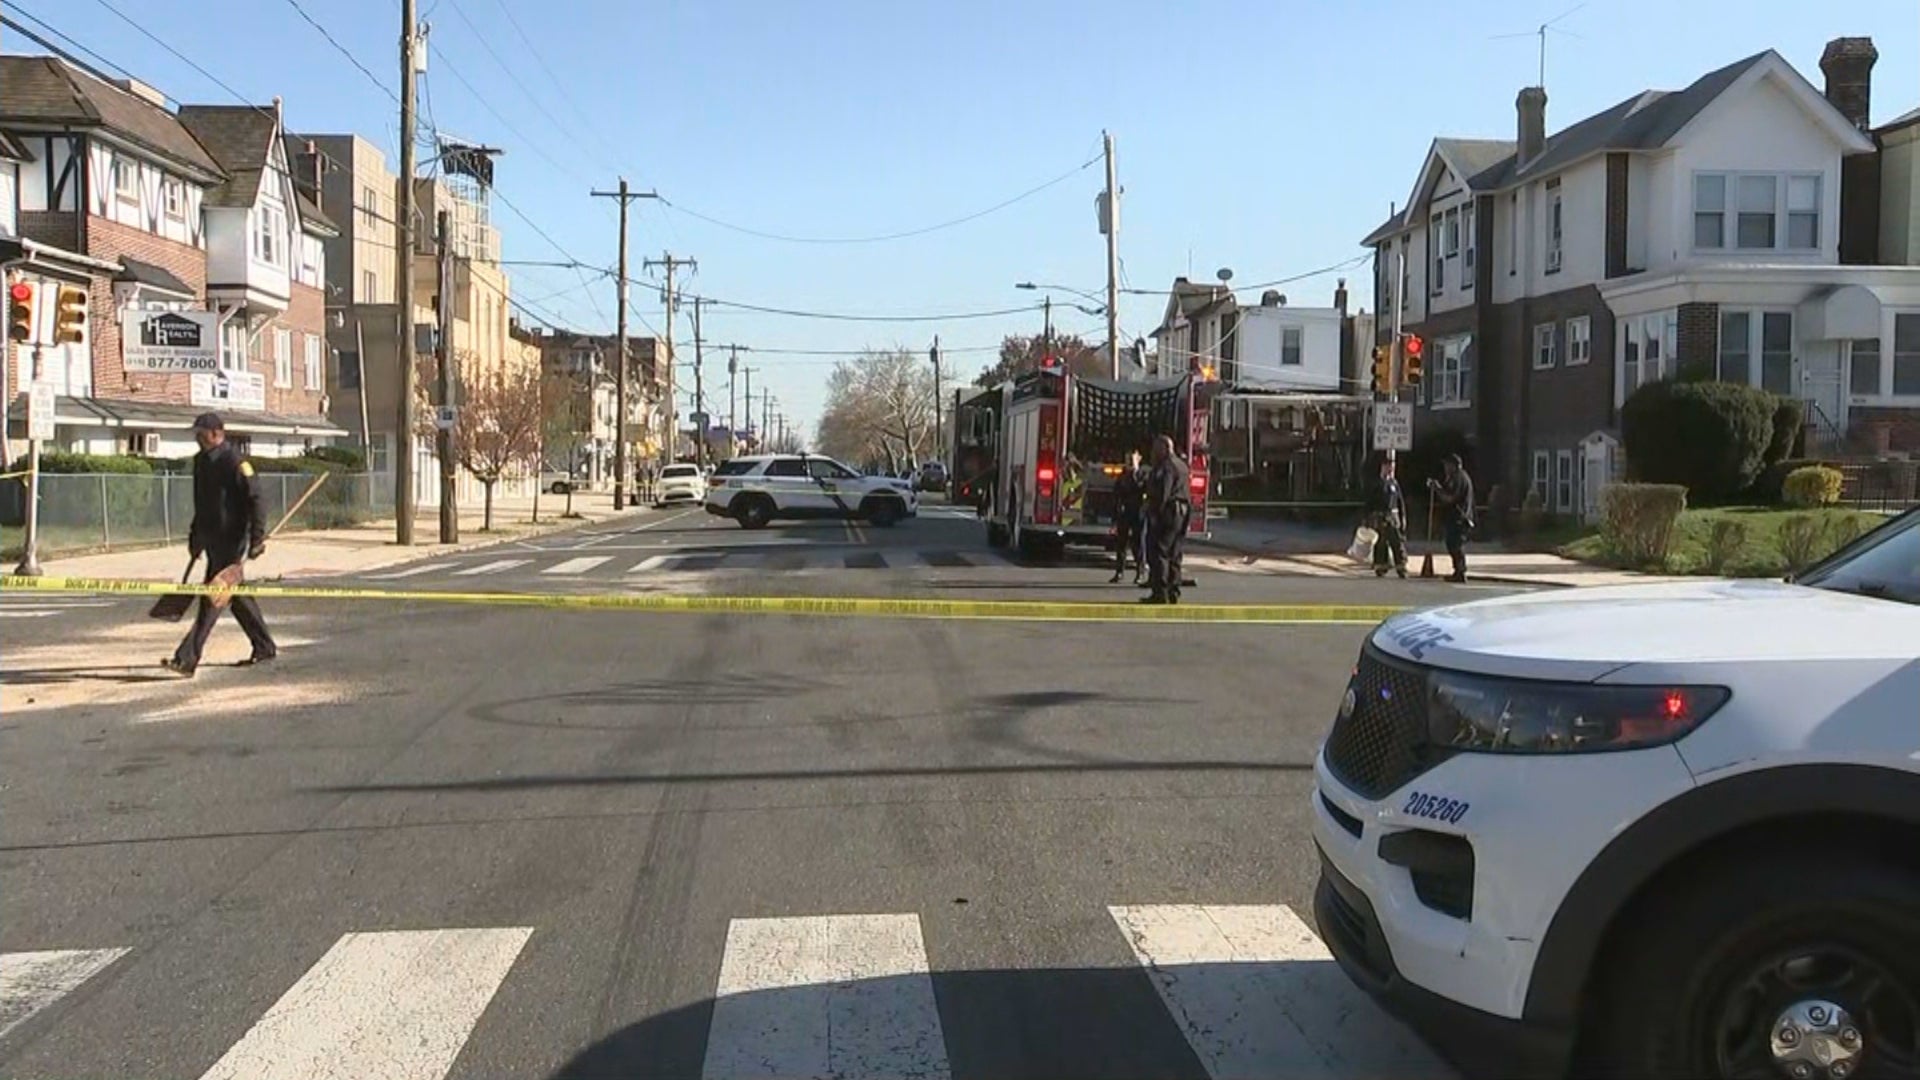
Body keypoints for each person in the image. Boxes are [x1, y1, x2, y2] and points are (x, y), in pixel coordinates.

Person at [163, 413, 276, 676]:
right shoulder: (201, 462)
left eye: (202, 434)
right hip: (211, 538)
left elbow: (257, 499)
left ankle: (187, 658)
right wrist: (195, 537)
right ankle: (264, 645)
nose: (198, 439)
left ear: (217, 434)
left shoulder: (235, 462)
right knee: (237, 596)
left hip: (233, 539)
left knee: (212, 598)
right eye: (196, 434)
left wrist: (257, 538)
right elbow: (202, 503)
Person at [1142, 433, 1192, 604]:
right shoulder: (1182, 465)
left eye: (1156, 448)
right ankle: (1173, 591)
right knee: (1175, 553)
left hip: (1169, 512)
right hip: (1183, 512)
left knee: (1159, 551)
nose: (1153, 452)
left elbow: (1163, 491)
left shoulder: (1166, 467)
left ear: (1164, 449)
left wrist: (1154, 513)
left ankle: (1160, 592)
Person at [1427, 452, 1475, 583]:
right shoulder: (1458, 477)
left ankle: (1460, 571)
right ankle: (1458, 570)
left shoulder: (1458, 478)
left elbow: (1451, 498)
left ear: (1453, 466)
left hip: (1459, 517)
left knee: (1455, 544)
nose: (1445, 468)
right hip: (1456, 516)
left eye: (1447, 465)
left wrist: (1437, 489)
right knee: (1452, 544)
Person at [1367, 457, 1409, 579]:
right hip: (1380, 517)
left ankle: (1401, 566)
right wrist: (1368, 517)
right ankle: (1381, 567)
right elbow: (1369, 502)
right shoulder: (1376, 484)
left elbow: (1400, 502)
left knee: (1397, 542)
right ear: (1383, 467)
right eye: (1388, 466)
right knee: (1380, 543)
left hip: (1393, 517)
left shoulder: (1394, 483)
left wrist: (1403, 517)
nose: (1390, 469)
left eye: (1392, 467)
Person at [1109, 449, 1146, 585]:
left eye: (1133, 458)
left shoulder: (1142, 474)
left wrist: (1135, 473)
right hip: (1124, 513)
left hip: (1137, 513)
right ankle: (1119, 572)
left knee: (1138, 544)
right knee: (1121, 544)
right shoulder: (1122, 476)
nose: (1129, 461)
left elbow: (1141, 488)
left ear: (1139, 459)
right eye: (1128, 459)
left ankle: (1140, 572)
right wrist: (1114, 517)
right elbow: (1116, 495)